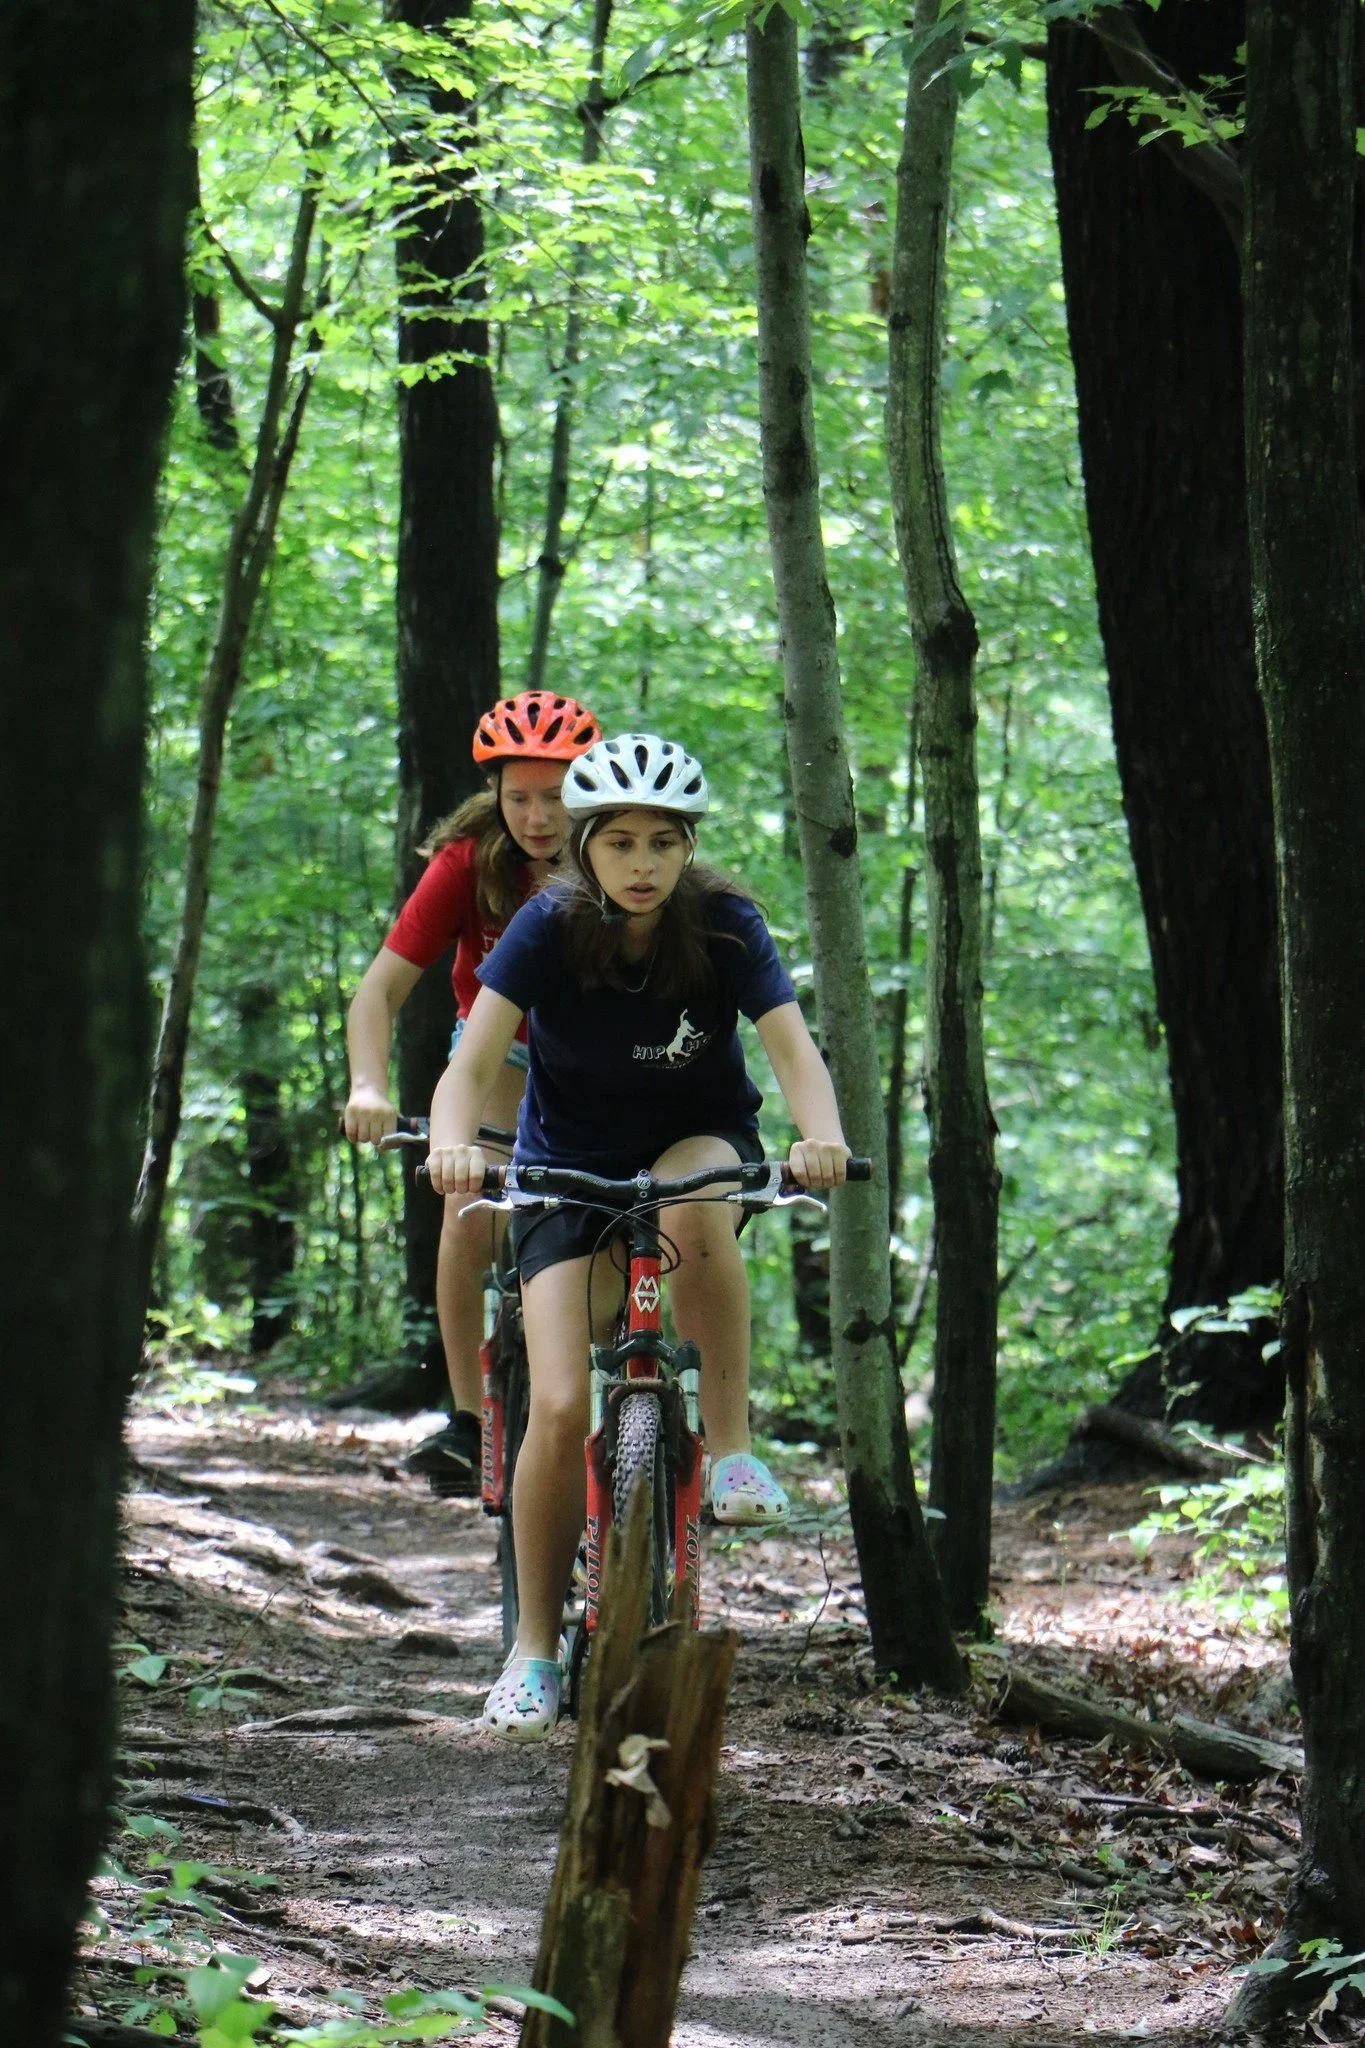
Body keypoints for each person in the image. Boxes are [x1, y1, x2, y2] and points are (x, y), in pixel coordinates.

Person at [426, 732, 852, 1737]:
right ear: (585, 845)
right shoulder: (544, 924)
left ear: (689, 844)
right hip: (562, 1166)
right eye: (619, 841)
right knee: (557, 1403)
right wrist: (452, 1144)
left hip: (692, 1144)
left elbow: (793, 1049)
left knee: (690, 1199)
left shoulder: (727, 925)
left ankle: (731, 1449)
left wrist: (821, 1136)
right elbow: (470, 1062)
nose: (643, 863)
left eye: (663, 841)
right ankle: (533, 1649)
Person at [343, 690, 600, 1496]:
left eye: (554, 796)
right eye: (518, 797)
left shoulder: (620, 853)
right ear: (494, 792)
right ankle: (467, 1420)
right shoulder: (467, 862)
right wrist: (367, 1085)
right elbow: (379, 991)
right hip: (498, 1058)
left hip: (603, 1062)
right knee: (468, 1199)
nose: (537, 817)